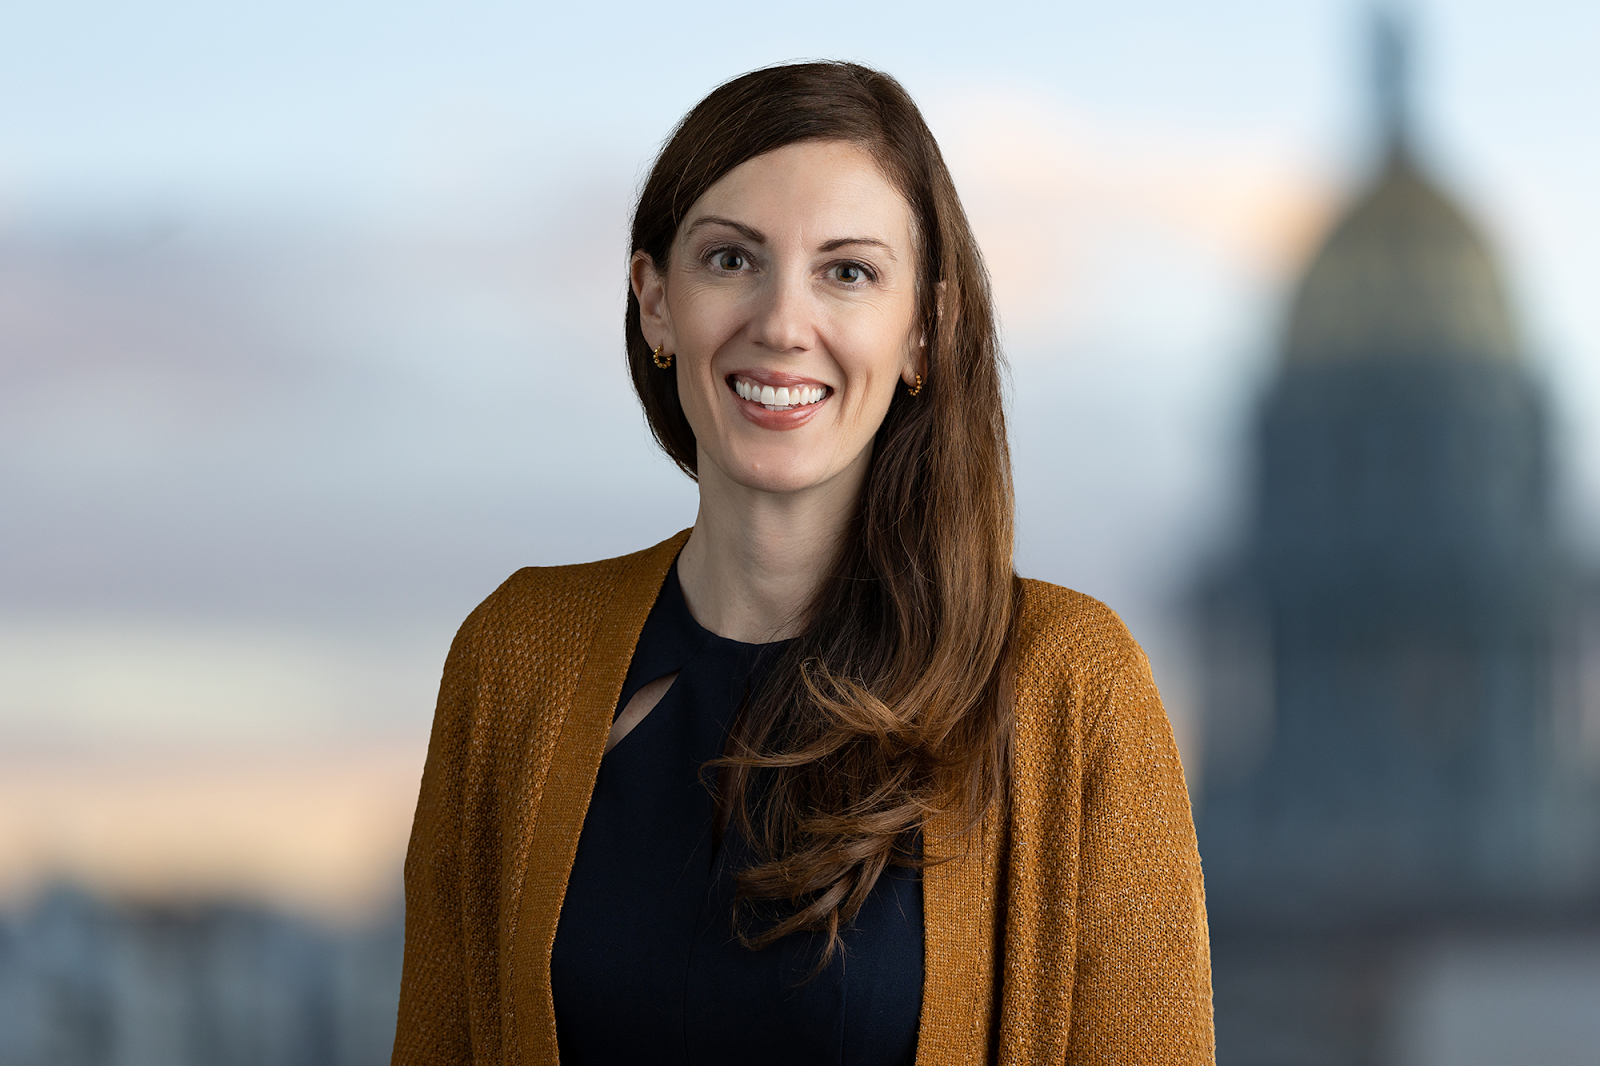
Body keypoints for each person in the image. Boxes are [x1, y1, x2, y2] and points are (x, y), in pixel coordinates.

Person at [392, 61, 1212, 1066]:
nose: (781, 323)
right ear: (655, 304)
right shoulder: (515, 660)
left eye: (848, 270)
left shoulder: (1068, 686)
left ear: (924, 329)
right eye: (731, 260)